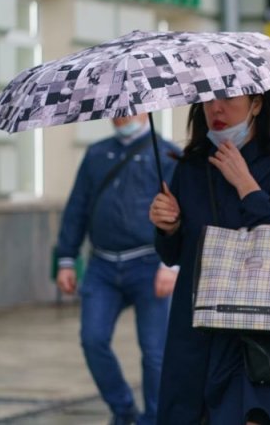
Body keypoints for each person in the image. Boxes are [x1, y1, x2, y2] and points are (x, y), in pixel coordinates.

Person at [149, 90, 270, 425]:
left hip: (259, 333)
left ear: (256, 104)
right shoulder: (192, 165)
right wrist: (167, 226)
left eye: (228, 97)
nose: (216, 108)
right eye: (208, 99)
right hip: (195, 332)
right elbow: (174, 255)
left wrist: (248, 188)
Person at [55, 115, 180, 425]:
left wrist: (171, 263)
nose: (120, 115)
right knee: (92, 339)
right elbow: (77, 207)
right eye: (115, 109)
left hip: (149, 264)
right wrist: (66, 259)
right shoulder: (96, 153)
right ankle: (123, 412)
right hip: (102, 266)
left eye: (128, 108)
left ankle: (154, 419)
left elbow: (182, 214)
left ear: (144, 110)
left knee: (155, 353)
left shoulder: (165, 154)